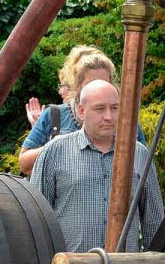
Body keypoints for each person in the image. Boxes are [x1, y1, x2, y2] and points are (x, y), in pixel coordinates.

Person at [30, 79, 164, 253]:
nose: (109, 116)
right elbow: (36, 220)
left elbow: (153, 223)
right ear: (81, 111)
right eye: (100, 109)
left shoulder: (138, 154)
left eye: (115, 108)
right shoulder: (54, 152)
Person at [19, 45, 145, 176]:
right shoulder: (55, 115)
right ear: (77, 86)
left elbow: (144, 169)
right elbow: (24, 165)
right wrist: (57, 145)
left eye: (104, 83)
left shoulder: (126, 121)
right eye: (91, 84)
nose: (98, 88)